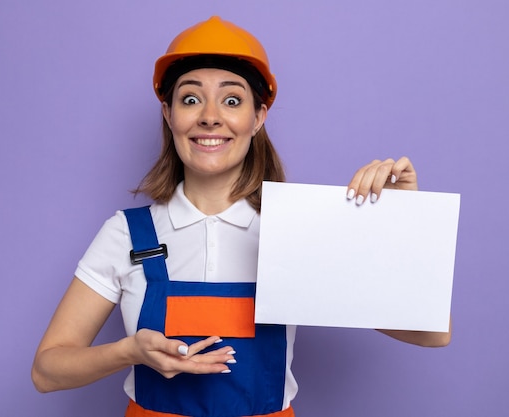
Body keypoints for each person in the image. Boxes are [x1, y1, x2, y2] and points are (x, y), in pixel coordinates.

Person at [32, 16, 451, 417]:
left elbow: (434, 334)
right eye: (190, 98)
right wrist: (129, 351)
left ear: (258, 118)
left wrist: (403, 223)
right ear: (168, 114)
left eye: (232, 100)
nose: (210, 116)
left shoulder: (297, 231)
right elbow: (46, 372)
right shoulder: (127, 233)